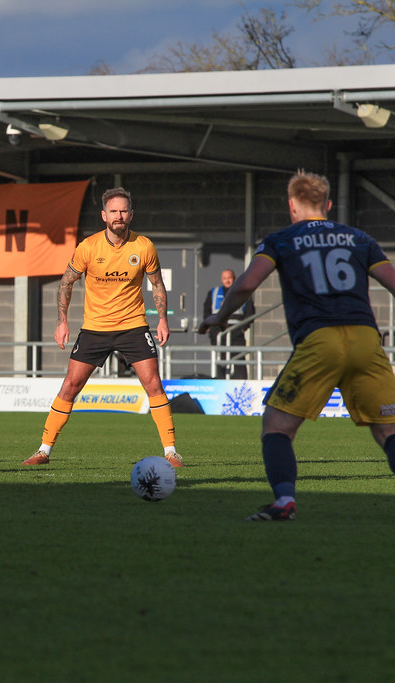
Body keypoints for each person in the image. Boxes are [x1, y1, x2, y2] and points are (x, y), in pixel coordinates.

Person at [200, 170, 395, 521]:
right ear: (328, 205)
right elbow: (391, 281)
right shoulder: (359, 238)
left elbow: (247, 284)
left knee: (277, 427)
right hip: (366, 339)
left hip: (320, 340)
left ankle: (284, 501)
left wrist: (221, 317)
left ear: (291, 205)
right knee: (389, 430)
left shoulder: (281, 240)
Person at [23, 187, 184, 468]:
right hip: (95, 328)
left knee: (154, 384)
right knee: (70, 386)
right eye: (113, 211)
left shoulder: (144, 246)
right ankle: (43, 451)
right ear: (104, 215)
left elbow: (157, 285)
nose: (118, 216)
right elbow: (65, 283)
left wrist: (163, 319)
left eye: (123, 211)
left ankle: (171, 453)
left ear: (131, 215)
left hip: (133, 326)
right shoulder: (88, 247)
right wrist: (62, 321)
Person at [203, 268, 255, 379]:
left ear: (234, 278)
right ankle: (219, 382)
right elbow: (207, 311)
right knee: (219, 359)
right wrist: (210, 328)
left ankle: (241, 384)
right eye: (224, 278)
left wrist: (242, 329)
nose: (227, 281)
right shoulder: (214, 293)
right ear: (222, 279)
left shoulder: (243, 293)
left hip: (236, 332)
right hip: (218, 332)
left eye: (229, 278)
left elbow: (250, 313)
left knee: (239, 359)